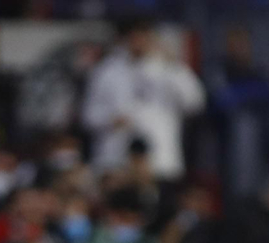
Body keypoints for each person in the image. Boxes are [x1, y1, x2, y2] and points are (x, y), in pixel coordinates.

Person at [80, 18, 205, 181]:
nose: (138, 42)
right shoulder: (107, 71)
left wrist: (174, 67)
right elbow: (88, 116)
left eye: (143, 36)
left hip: (159, 161)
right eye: (134, 36)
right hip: (116, 162)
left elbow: (194, 103)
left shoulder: (169, 68)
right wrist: (110, 120)